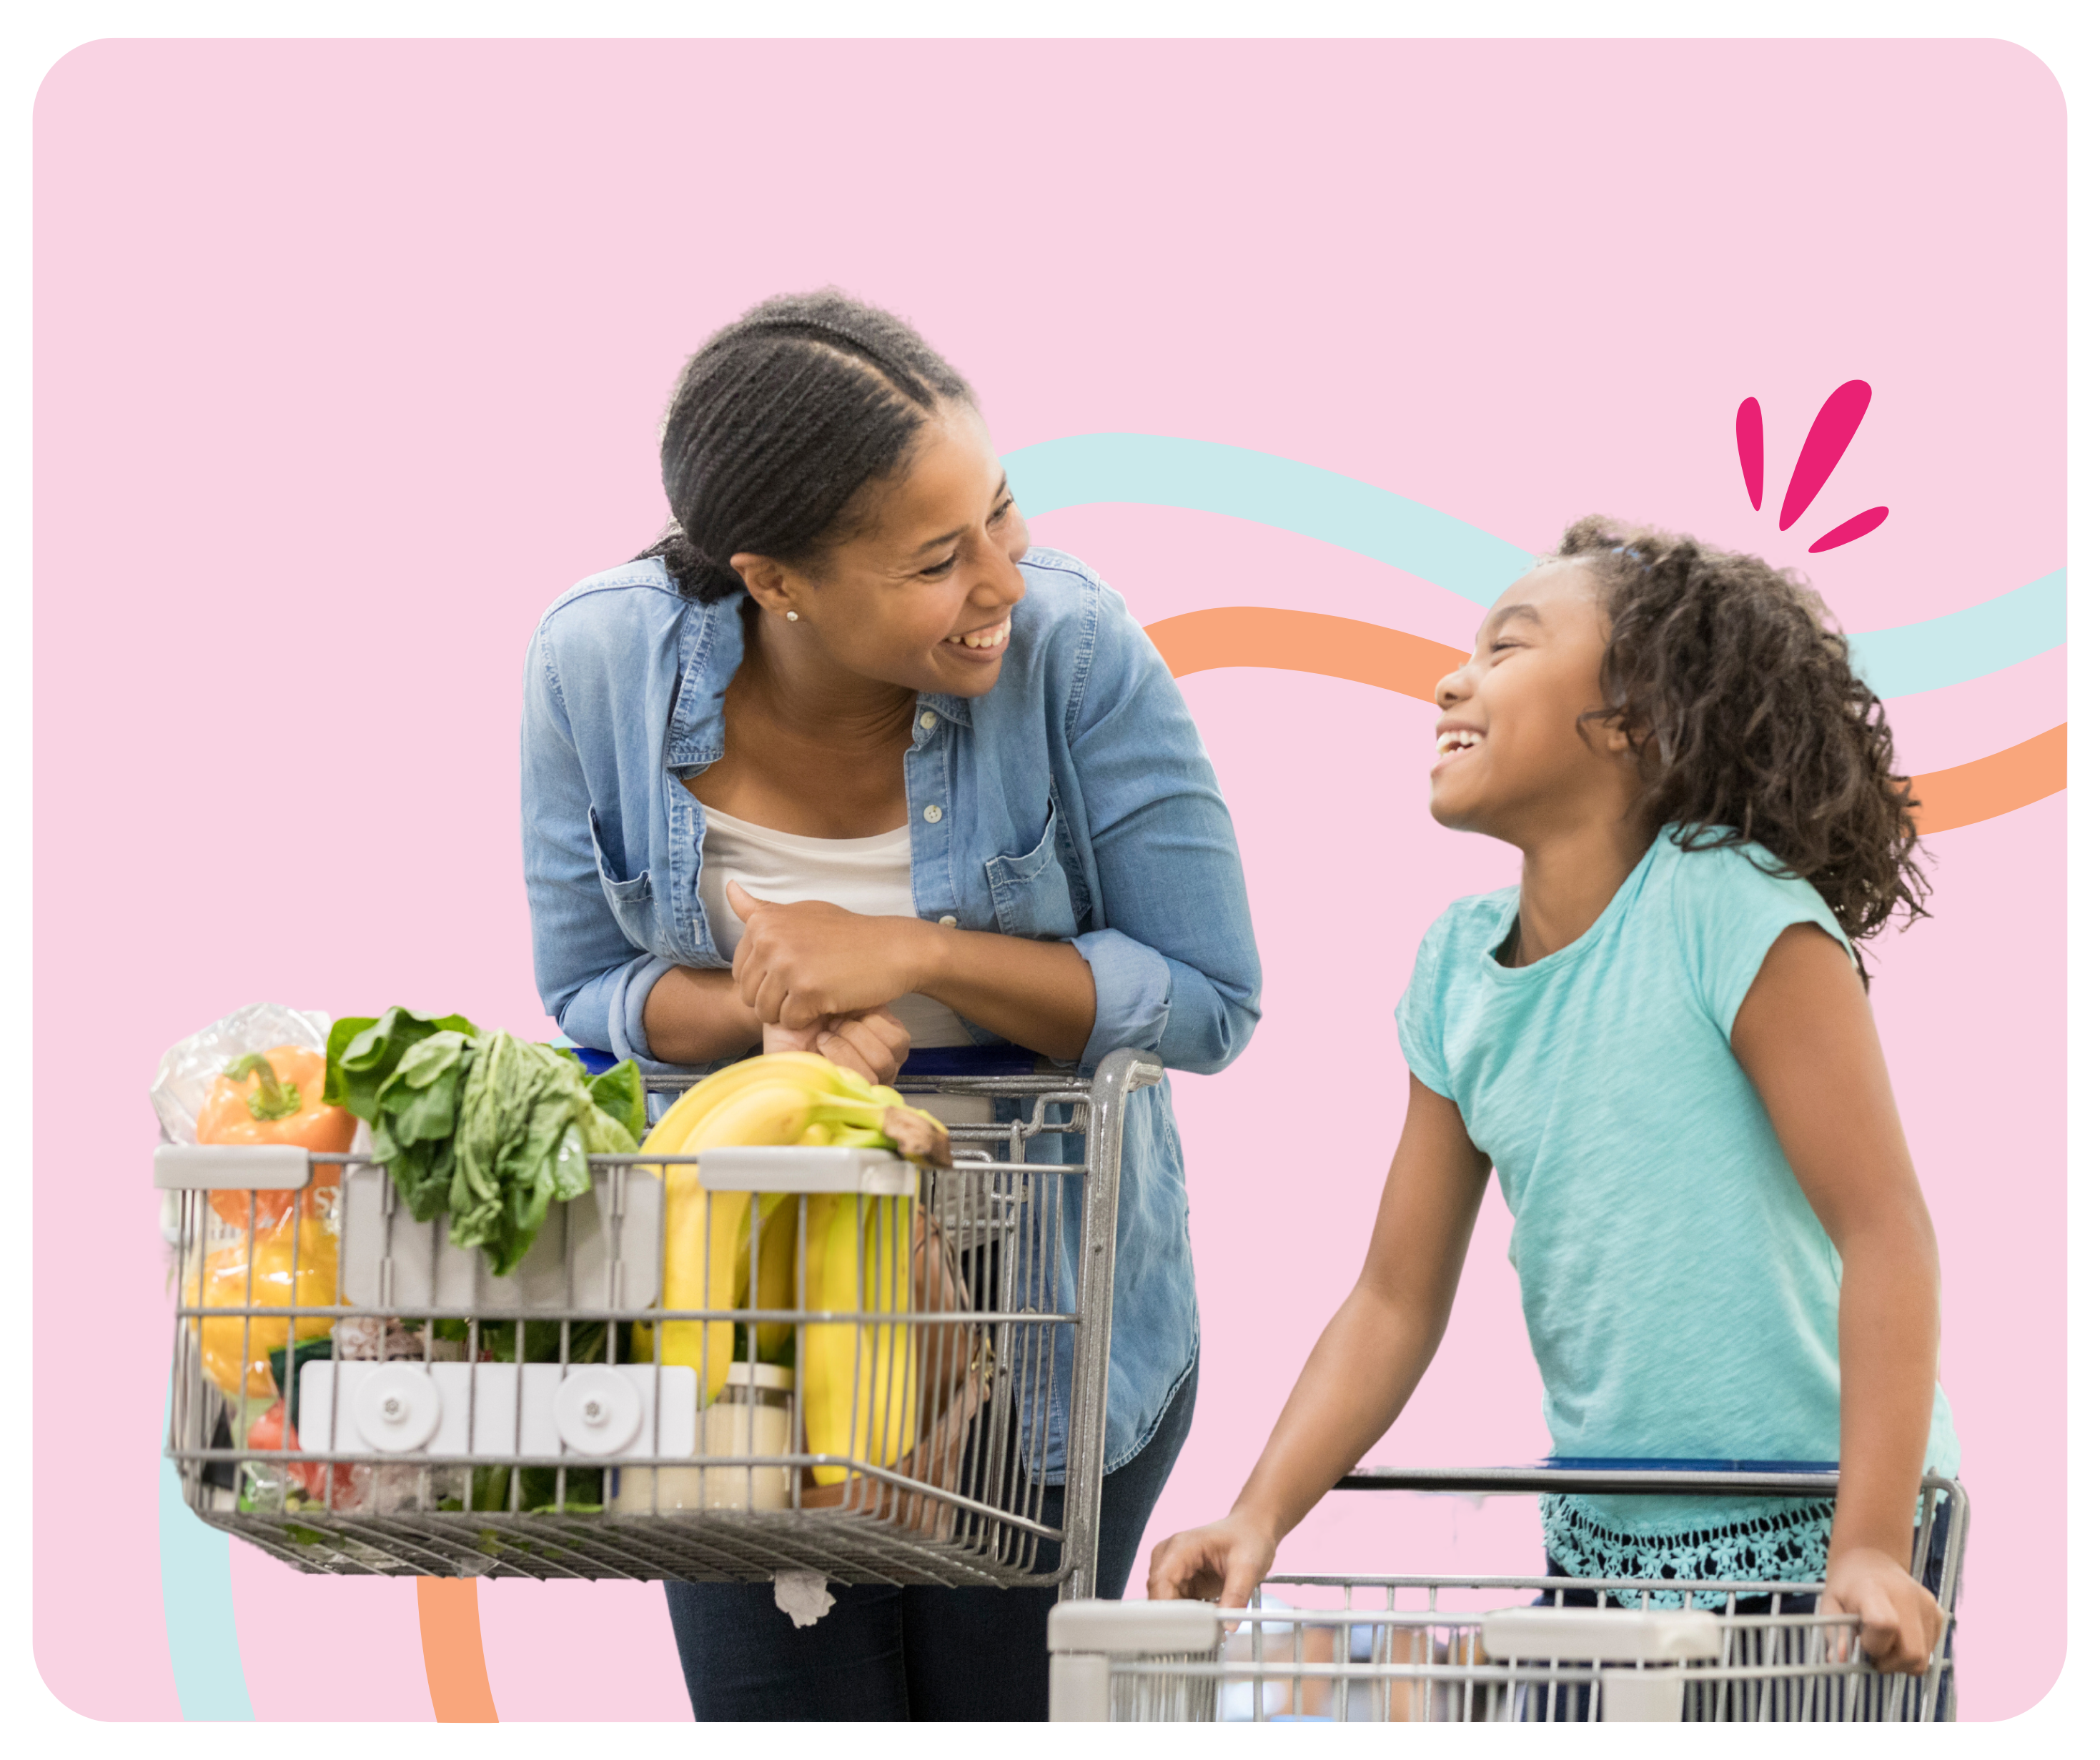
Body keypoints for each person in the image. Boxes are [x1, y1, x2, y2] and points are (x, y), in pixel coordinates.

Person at [519, 289, 1260, 1720]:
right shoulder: (592, 666)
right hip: (748, 1302)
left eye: (1000, 511)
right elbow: (588, 992)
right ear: (777, 581)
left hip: (1044, 1307)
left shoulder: (1078, 653)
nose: (1003, 573)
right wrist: (766, 1019)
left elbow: (1209, 999)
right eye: (937, 556)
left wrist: (909, 952)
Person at [1149, 518, 1960, 1690]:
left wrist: (1873, 1544)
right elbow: (1391, 1297)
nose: (1451, 675)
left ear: (1630, 713)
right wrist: (1257, 1514)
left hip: (1820, 1542)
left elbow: (1885, 1230)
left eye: (1507, 646)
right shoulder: (1453, 970)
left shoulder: (1727, 907)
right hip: (1604, 1549)